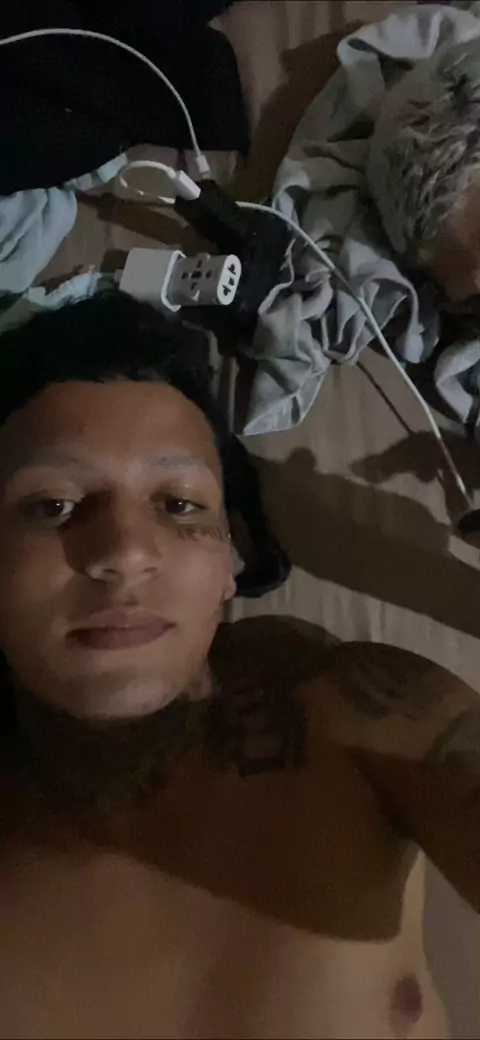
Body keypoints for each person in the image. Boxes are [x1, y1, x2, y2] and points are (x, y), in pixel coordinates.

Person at [0, 293, 478, 1040]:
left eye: (179, 504)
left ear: (231, 561)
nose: (126, 553)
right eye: (52, 506)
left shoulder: (351, 710)